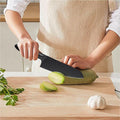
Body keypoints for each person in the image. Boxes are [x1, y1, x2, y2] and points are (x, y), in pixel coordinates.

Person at [4, 0, 120, 72]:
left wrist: (91, 60)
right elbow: (13, 9)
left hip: (96, 65)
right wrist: (23, 37)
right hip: (48, 64)